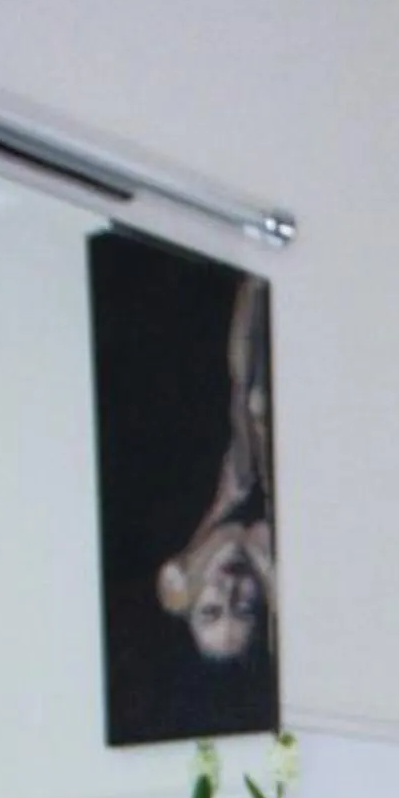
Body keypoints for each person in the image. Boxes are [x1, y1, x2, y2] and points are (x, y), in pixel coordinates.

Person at [156, 273, 276, 663]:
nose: (230, 591)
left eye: (211, 610)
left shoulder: (177, 581)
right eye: (244, 608)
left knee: (251, 403)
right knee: (257, 406)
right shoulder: (267, 545)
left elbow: (230, 532)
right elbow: (253, 535)